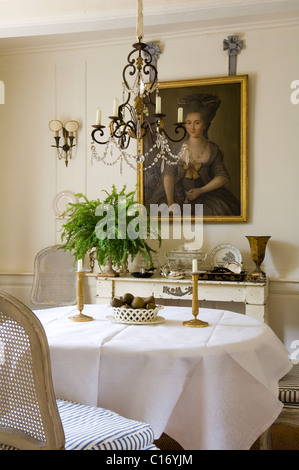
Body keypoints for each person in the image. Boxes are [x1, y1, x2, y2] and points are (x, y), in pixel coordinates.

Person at [147, 93, 240, 216]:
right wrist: (170, 202)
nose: (192, 127)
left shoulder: (213, 148)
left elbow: (222, 176)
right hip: (176, 194)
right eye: (188, 122)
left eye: (197, 123)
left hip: (206, 197)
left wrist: (201, 190)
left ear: (205, 125)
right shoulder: (177, 148)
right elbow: (169, 173)